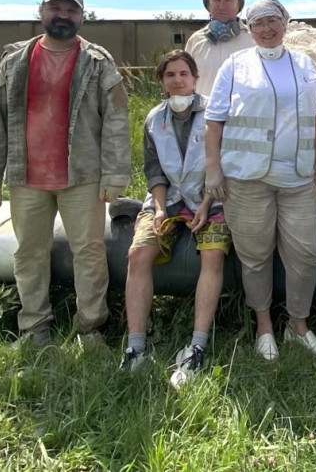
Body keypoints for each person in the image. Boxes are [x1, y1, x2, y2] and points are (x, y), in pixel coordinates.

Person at [0, 0, 131, 345]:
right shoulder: (14, 62)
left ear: (81, 16)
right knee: (29, 253)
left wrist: (115, 174)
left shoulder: (97, 61)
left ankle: (90, 329)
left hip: (82, 176)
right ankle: (34, 328)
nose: (63, 16)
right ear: (41, 12)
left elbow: (116, 119)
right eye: (56, 9)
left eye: (71, 10)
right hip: (26, 176)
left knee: (89, 252)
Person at [204, 0, 316, 361]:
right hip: (246, 178)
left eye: (272, 20)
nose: (266, 28)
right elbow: (214, 121)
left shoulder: (304, 64)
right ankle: (264, 327)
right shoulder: (235, 65)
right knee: (255, 256)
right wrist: (213, 168)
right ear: (249, 28)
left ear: (285, 23)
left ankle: (298, 326)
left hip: (297, 177)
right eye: (258, 22)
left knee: (306, 254)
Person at [121, 50, 230, 388]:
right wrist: (158, 208)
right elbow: (154, 170)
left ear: (195, 78)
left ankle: (197, 345)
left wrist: (206, 203)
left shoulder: (216, 112)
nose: (178, 80)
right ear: (162, 82)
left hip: (211, 200)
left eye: (184, 73)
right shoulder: (154, 119)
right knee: (137, 254)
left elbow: (223, 163)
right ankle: (136, 346)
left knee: (213, 255)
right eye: (170, 75)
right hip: (166, 202)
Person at [185, 0, 254, 97]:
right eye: (216, 0)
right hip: (204, 109)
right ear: (208, 4)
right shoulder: (195, 41)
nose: (221, 6)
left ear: (239, 4)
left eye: (228, 0)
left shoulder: (253, 39)